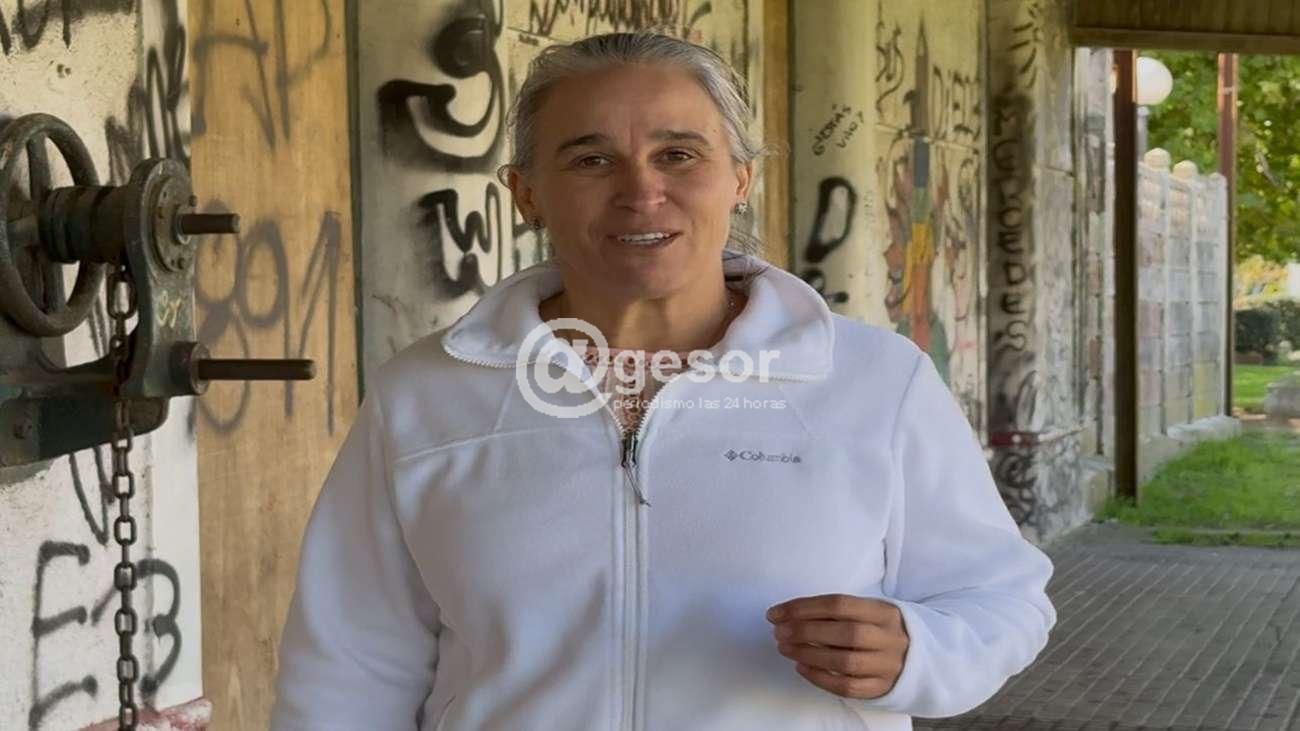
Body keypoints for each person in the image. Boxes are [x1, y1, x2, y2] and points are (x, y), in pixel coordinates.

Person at [270, 31, 1055, 731]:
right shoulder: (426, 394)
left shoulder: (875, 382)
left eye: (679, 154)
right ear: (526, 192)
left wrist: (919, 652)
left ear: (739, 179)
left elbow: (1000, 597)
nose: (641, 191)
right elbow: (349, 664)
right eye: (590, 158)